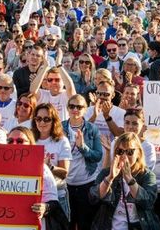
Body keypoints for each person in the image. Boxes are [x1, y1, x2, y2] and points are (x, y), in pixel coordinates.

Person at [0, 126, 62, 228]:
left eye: (20, 141)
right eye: (10, 141)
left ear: (30, 144)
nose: (14, 144)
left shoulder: (41, 169)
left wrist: (45, 207)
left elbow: (54, 203)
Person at [90, 132, 160, 229]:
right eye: (120, 151)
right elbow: (93, 198)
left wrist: (130, 179)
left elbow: (148, 202)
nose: (124, 156)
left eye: (130, 152)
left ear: (138, 153)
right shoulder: (107, 173)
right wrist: (110, 177)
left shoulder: (147, 175)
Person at [62, 93, 103, 230]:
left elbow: (97, 156)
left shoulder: (92, 129)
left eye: (79, 107)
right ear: (67, 108)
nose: (75, 110)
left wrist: (82, 147)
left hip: (86, 183)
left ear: (85, 109)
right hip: (65, 184)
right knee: (67, 223)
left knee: (85, 223)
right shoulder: (59, 128)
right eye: (72, 106)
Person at [33, 103, 72, 217]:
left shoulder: (61, 141)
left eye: (46, 119)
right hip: (35, 194)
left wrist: (49, 167)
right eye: (38, 119)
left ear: (53, 121)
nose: (42, 123)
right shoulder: (30, 139)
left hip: (58, 194)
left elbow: (65, 173)